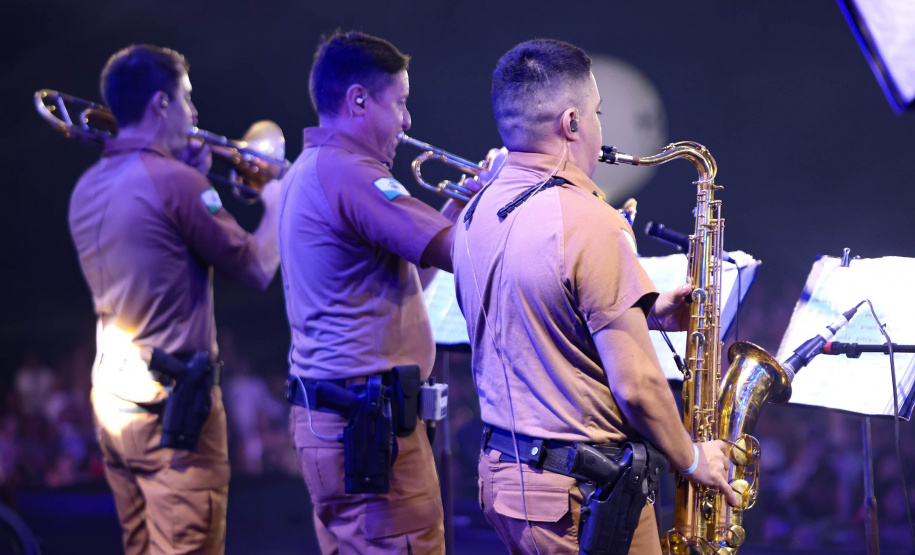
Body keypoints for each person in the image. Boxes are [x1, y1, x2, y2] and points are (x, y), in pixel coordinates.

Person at [451, 39, 740, 555]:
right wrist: (695, 459)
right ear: (572, 123)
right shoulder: (590, 221)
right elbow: (639, 387)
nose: (602, 130)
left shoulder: (475, 210)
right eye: (598, 113)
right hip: (582, 497)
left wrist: (642, 314)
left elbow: (534, 315)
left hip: (507, 478)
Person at [68, 44, 280, 554]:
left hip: (116, 402)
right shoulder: (177, 183)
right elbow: (255, 269)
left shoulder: (87, 185)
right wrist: (278, 203)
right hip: (175, 412)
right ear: (161, 104)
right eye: (187, 98)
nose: (196, 113)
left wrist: (187, 173)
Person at [277, 31, 480, 554]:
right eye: (401, 102)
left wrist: (458, 209)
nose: (408, 121)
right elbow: (462, 254)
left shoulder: (312, 168)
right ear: (359, 101)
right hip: (368, 426)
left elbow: (406, 277)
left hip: (340, 420)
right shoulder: (351, 172)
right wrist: (506, 189)